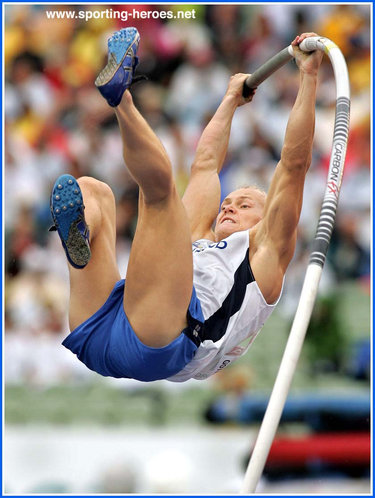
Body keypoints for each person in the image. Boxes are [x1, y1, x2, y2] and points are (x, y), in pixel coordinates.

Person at [49, 28, 323, 382]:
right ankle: (80, 236)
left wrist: (309, 76)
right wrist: (229, 101)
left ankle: (122, 100)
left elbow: (293, 165)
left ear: (266, 220)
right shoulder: (195, 239)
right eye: (228, 202)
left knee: (161, 195)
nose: (228, 207)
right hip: (100, 328)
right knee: (93, 190)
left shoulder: (265, 254)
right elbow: (206, 164)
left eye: (244, 206)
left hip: (162, 340)